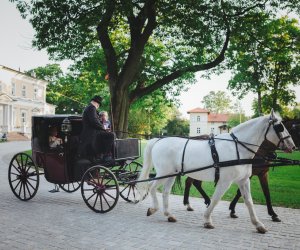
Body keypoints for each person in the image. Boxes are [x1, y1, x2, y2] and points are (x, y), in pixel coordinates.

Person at [78, 95, 114, 162]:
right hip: (91, 135)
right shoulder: (91, 108)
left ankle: (105, 154)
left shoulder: (89, 108)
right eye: (99, 105)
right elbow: (94, 122)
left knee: (109, 134)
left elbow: (95, 121)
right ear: (97, 103)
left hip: (92, 133)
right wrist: (104, 129)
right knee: (111, 135)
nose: (98, 106)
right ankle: (106, 155)